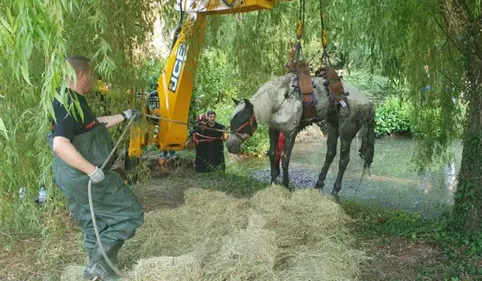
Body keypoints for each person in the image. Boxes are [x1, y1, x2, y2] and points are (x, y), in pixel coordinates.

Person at [48, 55, 144, 280]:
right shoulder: (67, 103)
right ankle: (100, 267)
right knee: (130, 214)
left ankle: (97, 274)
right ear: (81, 75)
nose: (92, 79)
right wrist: (91, 170)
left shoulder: (70, 100)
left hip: (69, 175)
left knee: (94, 223)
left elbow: (91, 125)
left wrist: (124, 116)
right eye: (91, 74)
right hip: (82, 175)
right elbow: (60, 144)